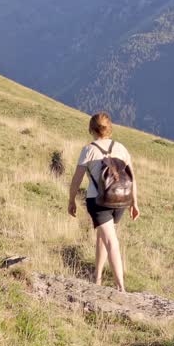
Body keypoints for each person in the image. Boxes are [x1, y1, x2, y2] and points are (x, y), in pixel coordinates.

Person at [67, 112, 139, 291]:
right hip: (121, 199)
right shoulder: (121, 148)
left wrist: (71, 200)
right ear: (109, 129)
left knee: (110, 241)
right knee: (103, 236)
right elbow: (131, 178)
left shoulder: (89, 149)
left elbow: (77, 179)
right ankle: (97, 279)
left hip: (98, 201)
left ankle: (120, 287)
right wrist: (134, 203)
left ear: (91, 129)